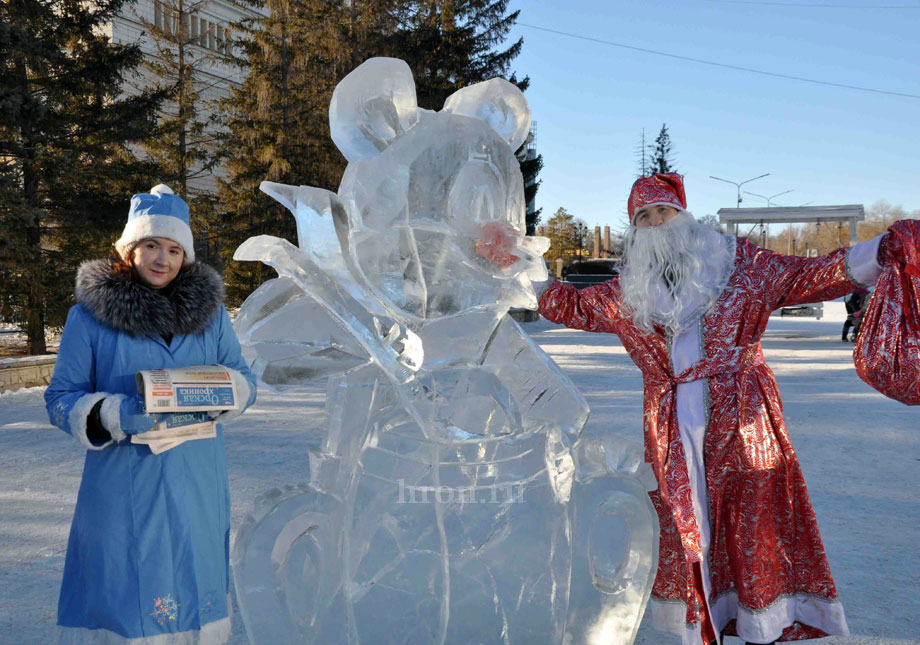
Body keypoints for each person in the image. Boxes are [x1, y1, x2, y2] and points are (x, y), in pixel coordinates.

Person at [530, 174, 891, 645]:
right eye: (644, 217)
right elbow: (567, 306)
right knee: (686, 525)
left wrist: (881, 250)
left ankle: (762, 623)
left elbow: (809, 274)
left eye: (664, 211)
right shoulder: (628, 292)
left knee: (753, 517)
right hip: (670, 423)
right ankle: (705, 625)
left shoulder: (742, 264)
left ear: (685, 215)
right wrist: (519, 262)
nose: (657, 223)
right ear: (635, 231)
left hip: (745, 417)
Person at [45, 185, 257, 644]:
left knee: (193, 580)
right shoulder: (89, 318)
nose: (162, 258)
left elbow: (243, 377)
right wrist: (118, 414)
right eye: (152, 245)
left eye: (174, 249)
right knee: (128, 588)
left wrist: (225, 394)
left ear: (186, 256)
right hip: (124, 484)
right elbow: (61, 398)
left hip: (196, 477)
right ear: (129, 249)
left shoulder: (212, 315)